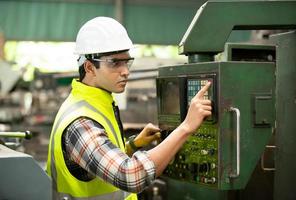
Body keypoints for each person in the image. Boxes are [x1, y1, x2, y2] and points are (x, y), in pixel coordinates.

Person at [46, 17, 212, 200]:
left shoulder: (96, 103)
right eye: (115, 63)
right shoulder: (80, 122)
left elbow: (96, 165)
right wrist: (186, 127)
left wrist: (133, 146)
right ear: (90, 67)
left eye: (127, 62)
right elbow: (130, 176)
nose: (125, 71)